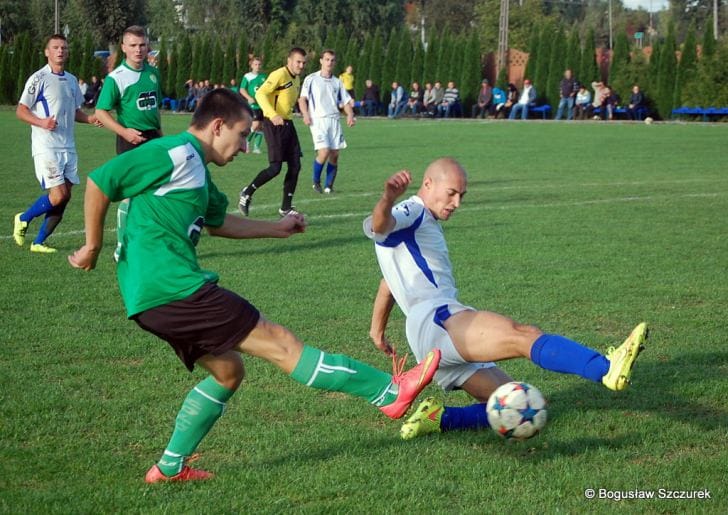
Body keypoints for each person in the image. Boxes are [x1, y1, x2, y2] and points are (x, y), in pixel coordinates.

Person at [68, 88, 441, 483]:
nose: (246, 147)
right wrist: (92, 245)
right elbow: (101, 181)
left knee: (228, 371)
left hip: (150, 299)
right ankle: (388, 392)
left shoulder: (198, 173)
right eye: (243, 134)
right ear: (217, 126)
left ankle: (169, 467)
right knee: (282, 344)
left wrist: (277, 230)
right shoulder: (174, 152)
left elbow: (219, 223)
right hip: (174, 288)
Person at [363, 158, 648, 440]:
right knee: (523, 335)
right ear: (428, 184)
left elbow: (388, 281)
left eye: (462, 196)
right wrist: (388, 198)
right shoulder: (412, 210)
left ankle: (439, 419)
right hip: (438, 320)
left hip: (425, 334)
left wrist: (377, 330)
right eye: (451, 193)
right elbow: (380, 226)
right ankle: (606, 368)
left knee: (525, 406)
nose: (457, 203)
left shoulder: (412, 230)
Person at [13, 33, 102, 254]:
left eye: (63, 47)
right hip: (46, 146)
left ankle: (38, 242)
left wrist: (89, 119)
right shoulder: (39, 78)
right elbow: (21, 110)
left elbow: (74, 112)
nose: (60, 51)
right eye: (55, 47)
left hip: (68, 147)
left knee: (65, 197)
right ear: (47, 52)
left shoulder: (71, 80)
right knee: (58, 195)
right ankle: (23, 218)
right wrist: (41, 122)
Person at [95, 25, 163, 262]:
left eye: (142, 45)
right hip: (130, 141)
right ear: (123, 48)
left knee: (155, 192)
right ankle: (122, 246)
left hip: (153, 138)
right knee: (130, 195)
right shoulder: (116, 78)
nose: (138, 50)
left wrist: (161, 137)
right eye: (133, 45)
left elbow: (155, 109)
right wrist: (124, 132)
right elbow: (101, 112)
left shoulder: (153, 73)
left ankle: (148, 240)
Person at [238, 47, 307, 217]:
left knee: (295, 165)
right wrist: (272, 114)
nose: (301, 65)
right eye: (298, 62)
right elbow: (261, 94)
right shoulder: (279, 74)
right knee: (275, 168)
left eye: (303, 63)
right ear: (289, 60)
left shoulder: (296, 79)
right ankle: (247, 193)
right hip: (273, 123)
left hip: (287, 123)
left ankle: (285, 207)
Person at [298, 49, 355, 194]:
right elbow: (302, 99)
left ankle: (329, 186)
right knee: (324, 152)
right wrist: (305, 114)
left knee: (334, 154)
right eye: (327, 59)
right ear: (321, 61)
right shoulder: (311, 79)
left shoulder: (337, 82)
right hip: (318, 120)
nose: (329, 62)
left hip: (334, 120)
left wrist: (350, 115)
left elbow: (346, 101)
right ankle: (316, 182)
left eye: (332, 60)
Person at [239, 56, 266, 154]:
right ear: (251, 65)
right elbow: (242, 89)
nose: (257, 66)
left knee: (261, 126)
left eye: (259, 64)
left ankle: (256, 147)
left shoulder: (264, 77)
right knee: (255, 125)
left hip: (263, 105)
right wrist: (249, 98)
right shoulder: (247, 76)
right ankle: (246, 140)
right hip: (253, 105)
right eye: (255, 64)